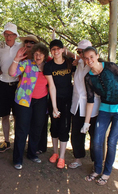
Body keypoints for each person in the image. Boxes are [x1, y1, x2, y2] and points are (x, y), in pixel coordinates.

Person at [83, 46, 118, 185]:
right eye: (86, 58)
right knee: (97, 141)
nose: (89, 60)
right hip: (104, 109)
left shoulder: (110, 66)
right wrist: (86, 122)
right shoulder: (88, 78)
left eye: (91, 56)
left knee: (111, 141)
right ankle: (97, 169)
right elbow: (90, 100)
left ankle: (107, 172)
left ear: (97, 56)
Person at [9, 43, 50, 170]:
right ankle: (17, 159)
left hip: (41, 101)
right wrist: (16, 59)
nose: (38, 56)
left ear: (45, 55)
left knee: (37, 127)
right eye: (36, 53)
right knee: (22, 129)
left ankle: (32, 154)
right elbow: (12, 73)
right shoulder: (27, 63)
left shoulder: (48, 67)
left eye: (40, 54)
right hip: (24, 100)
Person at [44, 39, 76, 169]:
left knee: (65, 127)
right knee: (55, 127)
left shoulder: (69, 63)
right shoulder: (49, 66)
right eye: (53, 49)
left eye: (58, 48)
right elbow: (51, 87)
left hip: (68, 100)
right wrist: (54, 107)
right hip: (54, 100)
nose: (56, 51)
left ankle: (62, 157)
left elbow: (77, 77)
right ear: (51, 51)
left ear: (63, 50)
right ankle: (55, 153)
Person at [69, 40, 101, 169]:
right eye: (79, 52)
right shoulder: (78, 63)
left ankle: (96, 161)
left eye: (83, 52)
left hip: (92, 106)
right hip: (76, 104)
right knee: (76, 133)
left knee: (94, 135)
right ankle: (78, 158)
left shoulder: (94, 65)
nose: (81, 54)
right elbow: (69, 55)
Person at [0, 22, 22, 153]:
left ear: (15, 36)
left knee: (17, 115)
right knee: (4, 115)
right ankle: (6, 141)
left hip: (17, 85)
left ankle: (18, 142)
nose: (8, 37)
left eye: (11, 35)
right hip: (3, 84)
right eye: (6, 34)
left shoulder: (21, 47)